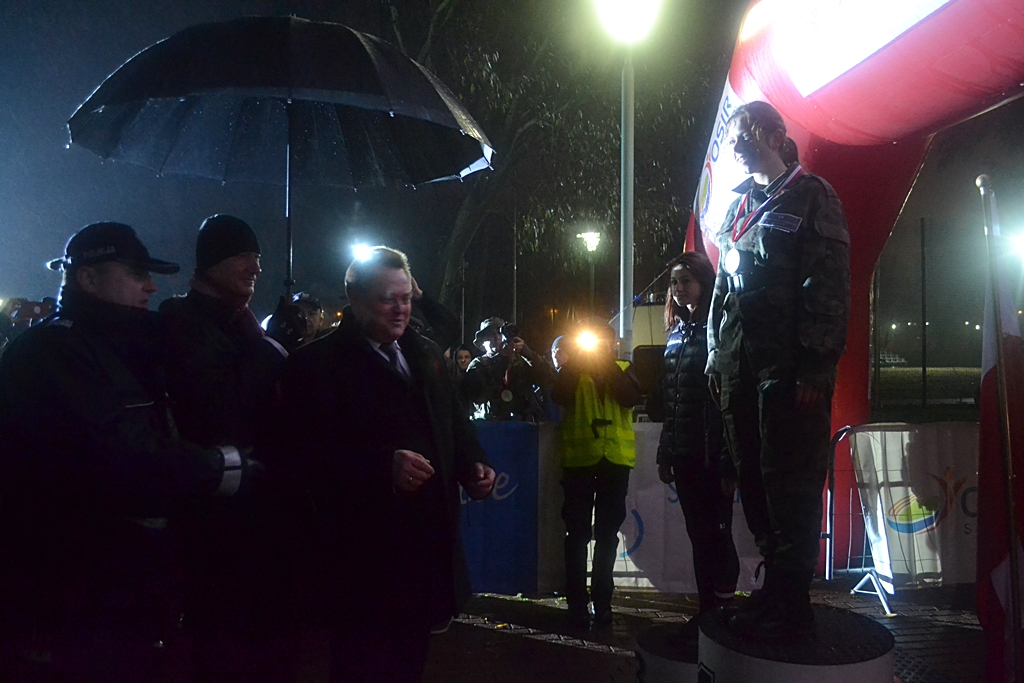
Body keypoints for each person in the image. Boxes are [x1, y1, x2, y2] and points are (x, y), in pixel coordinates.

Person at [0, 222, 252, 682]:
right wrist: (224, 467)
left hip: (125, 594)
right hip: (73, 602)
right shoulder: (52, 352)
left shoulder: (121, 346)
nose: (151, 286)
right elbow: (120, 454)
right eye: (137, 274)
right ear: (88, 278)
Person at [278, 246, 495, 682]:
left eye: (406, 298)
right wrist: (381, 466)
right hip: (361, 565)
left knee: (410, 664)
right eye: (387, 299)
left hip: (424, 556)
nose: (400, 309)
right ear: (354, 298)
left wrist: (473, 464)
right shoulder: (315, 366)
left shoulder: (425, 354)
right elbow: (301, 455)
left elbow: (452, 421)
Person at [707, 101, 850, 640]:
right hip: (739, 368)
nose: (736, 148)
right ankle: (774, 589)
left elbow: (828, 286)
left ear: (772, 135)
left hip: (787, 371)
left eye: (743, 137)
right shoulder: (740, 204)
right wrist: (715, 355)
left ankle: (792, 603)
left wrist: (816, 366)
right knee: (753, 479)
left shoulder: (812, 195)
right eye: (731, 141)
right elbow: (723, 290)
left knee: (791, 482)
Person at [158, 214, 295, 682]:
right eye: (242, 256)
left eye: (257, 256)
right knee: (222, 650)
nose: (255, 267)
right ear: (211, 262)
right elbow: (221, 410)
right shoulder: (180, 320)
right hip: (211, 522)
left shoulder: (242, 324)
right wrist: (271, 348)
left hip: (261, 522)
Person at [657, 251, 739, 645]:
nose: (678, 289)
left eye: (685, 281)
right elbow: (671, 400)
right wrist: (666, 452)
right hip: (686, 453)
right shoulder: (677, 333)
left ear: (704, 283)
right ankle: (709, 614)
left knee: (718, 536)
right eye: (674, 282)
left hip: (711, 454)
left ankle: (722, 612)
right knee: (699, 536)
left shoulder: (717, 328)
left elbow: (727, 399)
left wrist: (727, 460)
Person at [552, 320, 641, 629]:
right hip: (580, 462)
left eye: (602, 342)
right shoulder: (573, 369)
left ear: (612, 344)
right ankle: (576, 603)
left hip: (614, 462)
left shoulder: (623, 368)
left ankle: (602, 602)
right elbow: (559, 396)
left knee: (607, 536)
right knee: (576, 535)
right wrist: (576, 363)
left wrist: (608, 366)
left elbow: (631, 398)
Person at [464, 317, 554, 421]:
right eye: (491, 334)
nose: (497, 338)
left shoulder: (520, 362)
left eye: (499, 333)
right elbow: (477, 396)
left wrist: (529, 354)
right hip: (489, 425)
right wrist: (501, 359)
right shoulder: (477, 365)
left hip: (522, 424)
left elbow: (550, 380)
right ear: (482, 343)